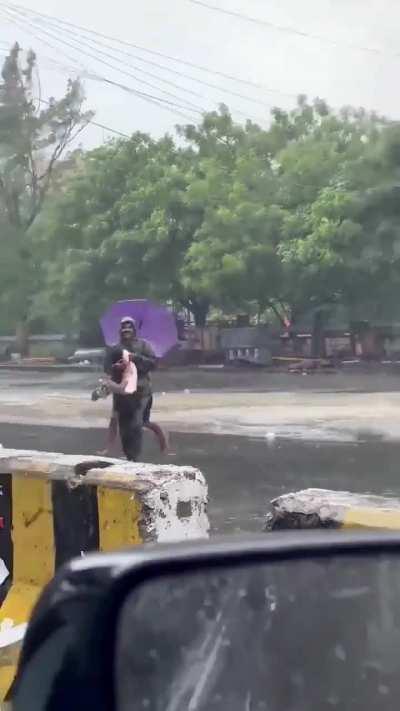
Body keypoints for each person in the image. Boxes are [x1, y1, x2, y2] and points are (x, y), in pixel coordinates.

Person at [102, 317, 167, 460]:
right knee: (124, 425)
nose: (126, 330)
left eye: (129, 327)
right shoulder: (115, 349)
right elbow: (107, 369)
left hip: (141, 392)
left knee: (136, 423)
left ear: (134, 330)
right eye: (124, 328)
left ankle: (135, 457)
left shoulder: (144, 346)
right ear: (120, 331)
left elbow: (153, 364)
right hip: (122, 393)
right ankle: (129, 455)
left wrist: (135, 358)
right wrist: (116, 368)